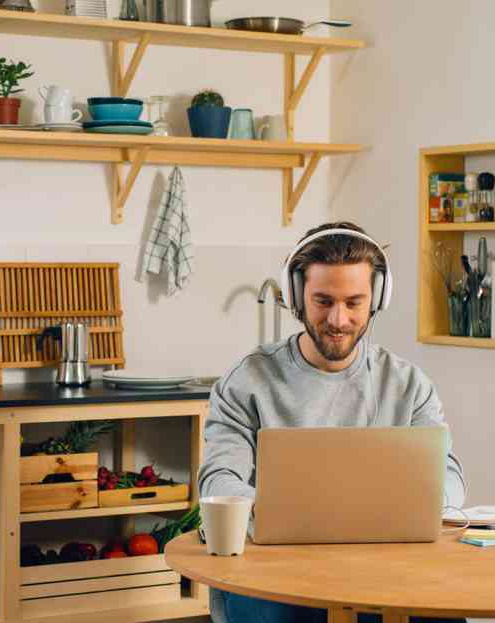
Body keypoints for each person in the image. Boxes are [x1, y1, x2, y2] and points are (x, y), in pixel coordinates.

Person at [198, 222, 467, 623]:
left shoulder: (409, 384)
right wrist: (276, 516)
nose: (338, 319)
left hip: (387, 570)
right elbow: (219, 477)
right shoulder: (247, 382)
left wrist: (420, 505)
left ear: (377, 299)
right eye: (323, 301)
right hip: (275, 572)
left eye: (354, 302)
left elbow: (449, 478)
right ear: (296, 296)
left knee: (443, 616)